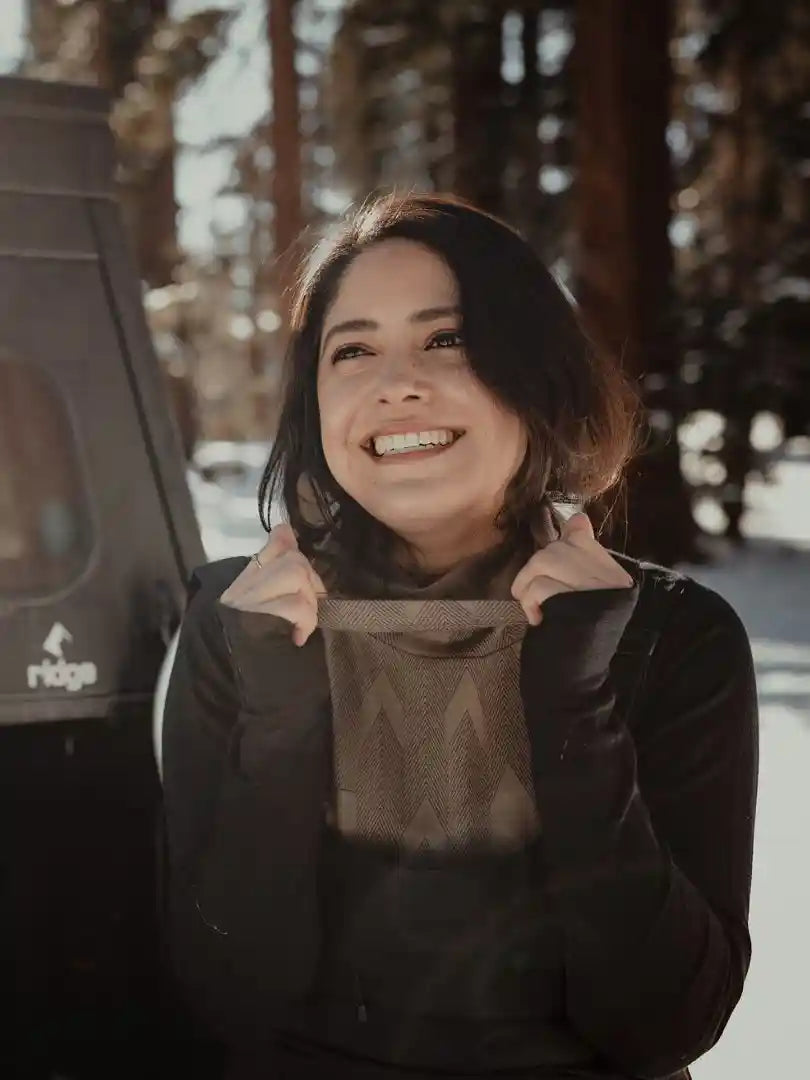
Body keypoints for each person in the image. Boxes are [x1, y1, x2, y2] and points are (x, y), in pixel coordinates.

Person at [161, 194, 758, 1080]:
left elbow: (667, 1022)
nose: (395, 382)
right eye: (352, 349)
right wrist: (281, 721)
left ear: (535, 371)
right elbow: (225, 998)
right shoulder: (241, 622)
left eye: (446, 339)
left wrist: (575, 709)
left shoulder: (673, 637)